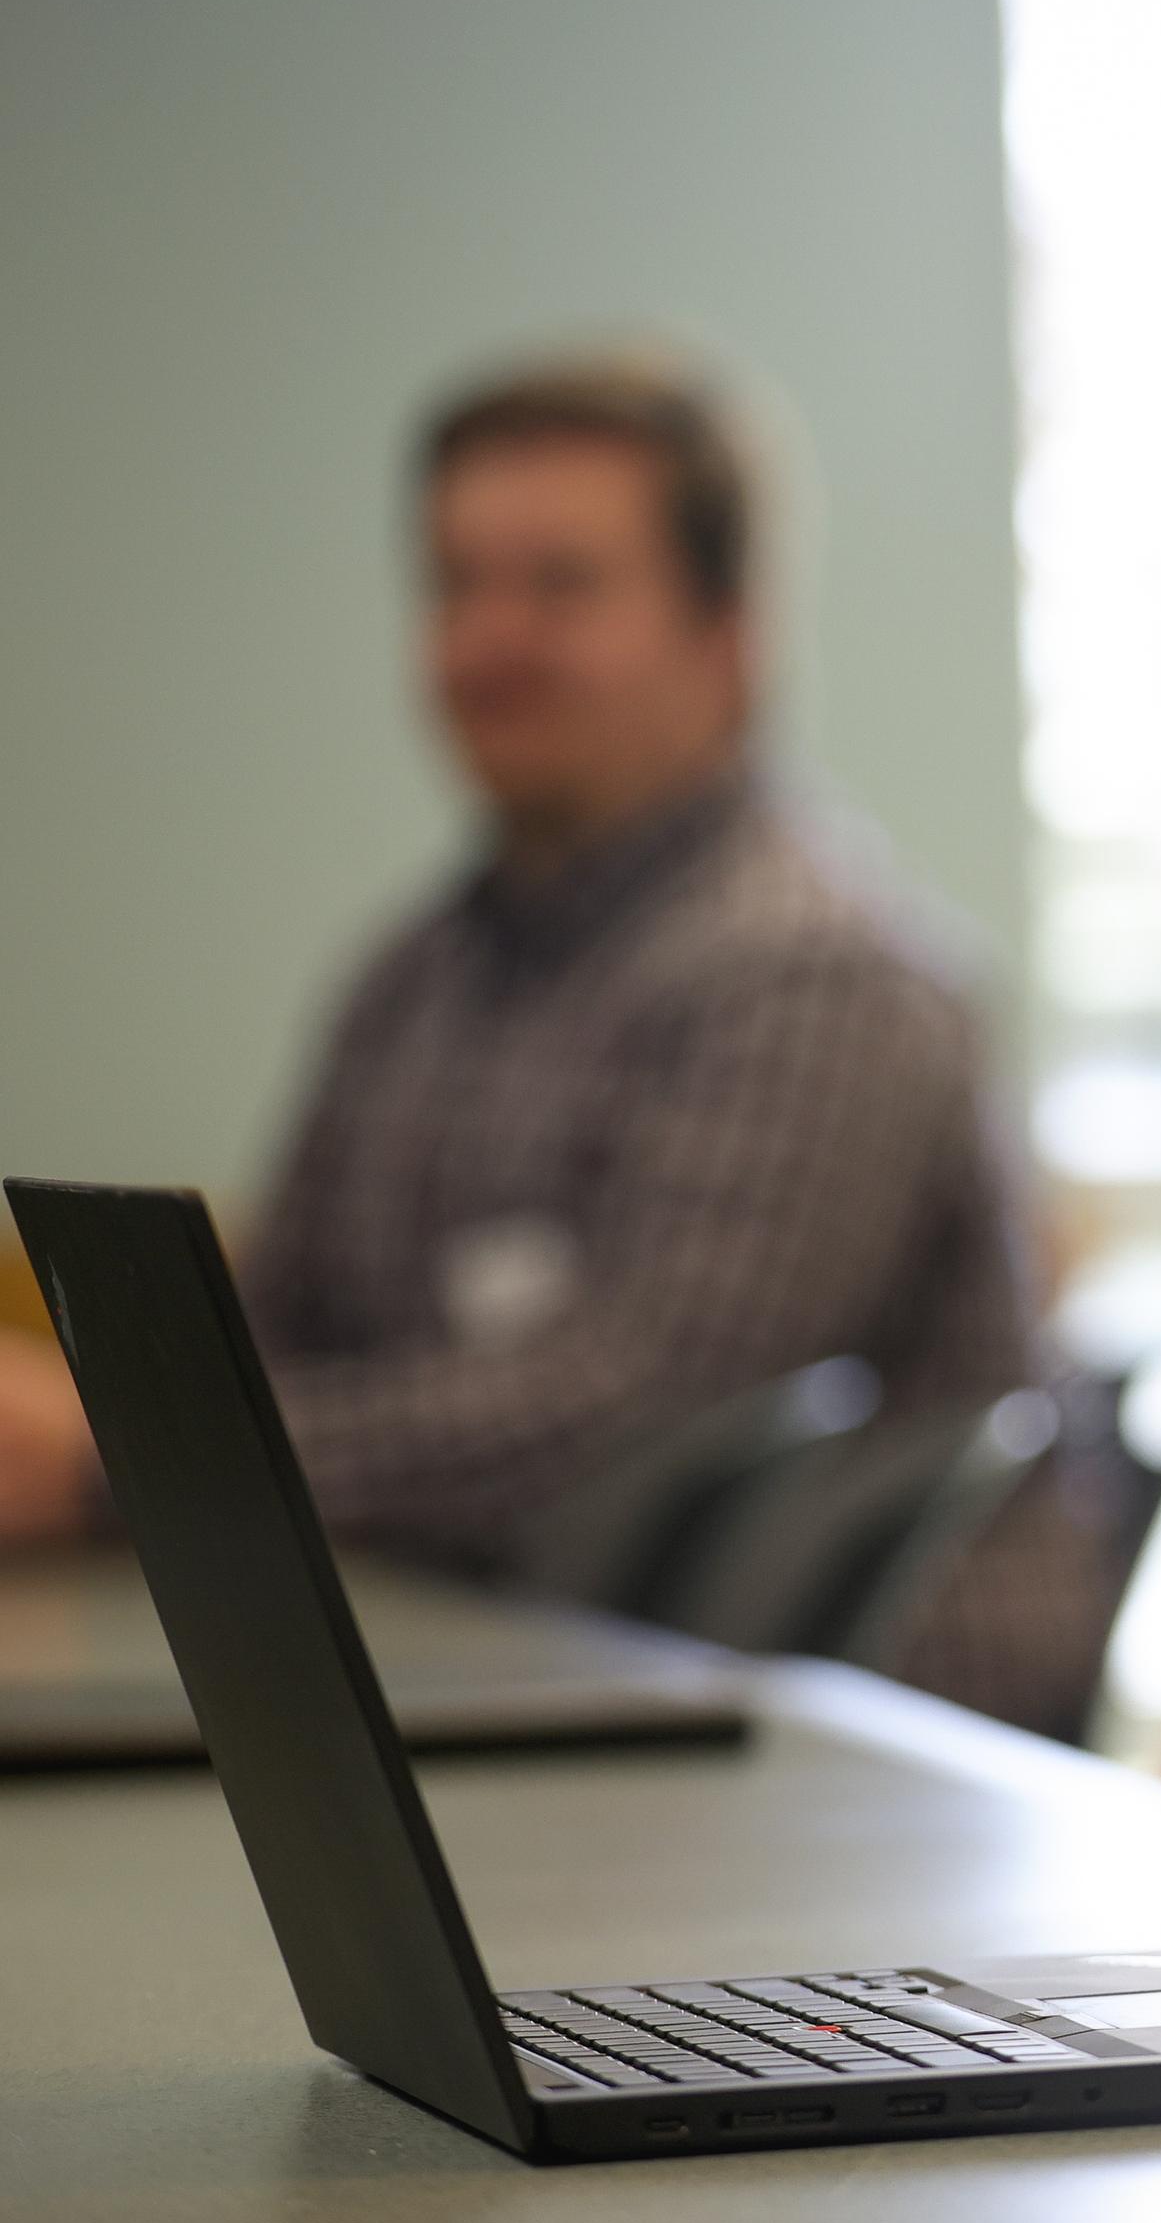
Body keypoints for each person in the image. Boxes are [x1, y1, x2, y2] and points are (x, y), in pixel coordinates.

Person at [0, 357, 1061, 1715]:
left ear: (726, 635)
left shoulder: (815, 975)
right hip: (506, 1679)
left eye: (560, 586)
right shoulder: (416, 978)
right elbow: (280, 1339)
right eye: (455, 585)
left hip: (835, 1743)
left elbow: (637, 1407)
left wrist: (123, 1461)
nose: (489, 641)